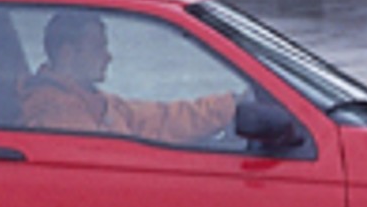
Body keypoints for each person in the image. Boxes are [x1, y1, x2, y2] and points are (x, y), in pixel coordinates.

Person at [20, 10, 237, 145]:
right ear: (67, 54)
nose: (108, 57)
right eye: (97, 47)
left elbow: (161, 119)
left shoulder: (95, 101)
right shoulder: (56, 114)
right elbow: (105, 162)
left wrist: (228, 106)